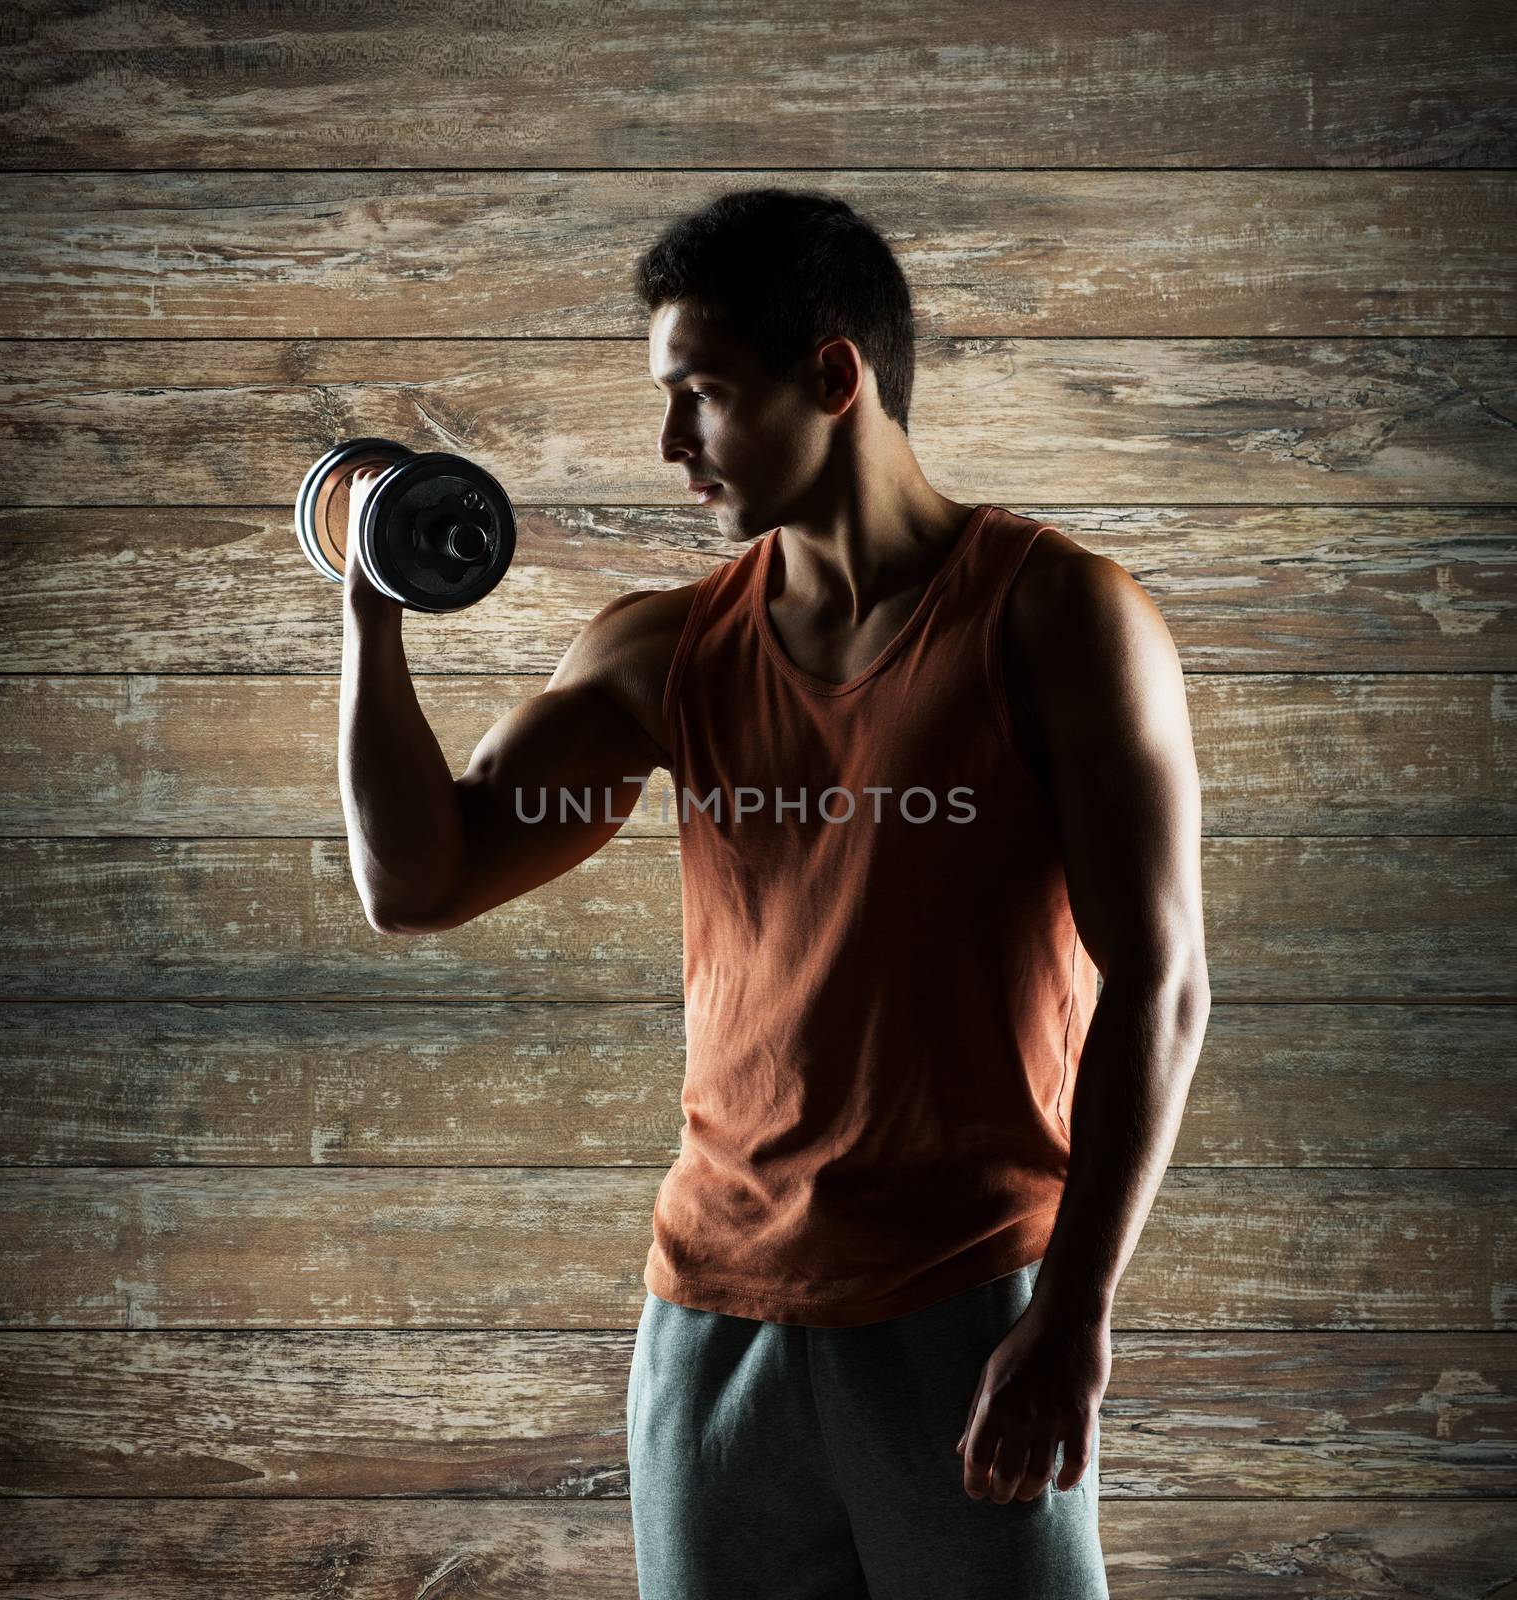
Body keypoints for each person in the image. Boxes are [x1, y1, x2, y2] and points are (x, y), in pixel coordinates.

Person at [338, 187, 1210, 1599]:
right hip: (708, 1313)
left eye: (703, 395)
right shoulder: (662, 652)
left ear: (833, 378)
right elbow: (417, 881)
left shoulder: (1060, 620)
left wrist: (1076, 1316)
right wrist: (369, 606)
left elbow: (1160, 983)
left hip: (966, 1299)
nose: (671, 445)